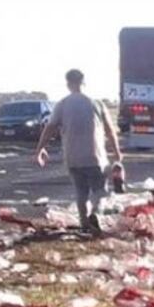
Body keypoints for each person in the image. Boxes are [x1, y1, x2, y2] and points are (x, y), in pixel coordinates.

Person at [35, 69, 122, 235]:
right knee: (100, 191)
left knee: (80, 192)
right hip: (95, 156)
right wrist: (117, 151)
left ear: (68, 84)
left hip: (73, 157)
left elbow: (50, 128)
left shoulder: (62, 104)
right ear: (84, 82)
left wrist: (40, 149)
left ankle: (84, 224)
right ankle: (95, 214)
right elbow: (110, 130)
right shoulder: (97, 104)